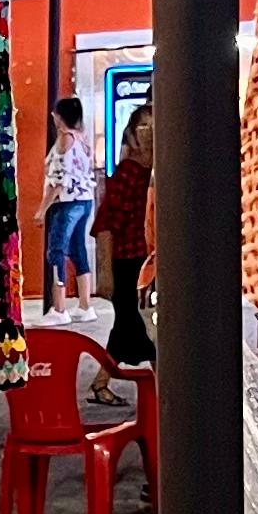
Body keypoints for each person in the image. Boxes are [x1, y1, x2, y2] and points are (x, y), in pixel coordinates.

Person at [96, 101, 156, 369]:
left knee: (142, 330)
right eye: (142, 127)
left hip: (147, 261)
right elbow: (106, 225)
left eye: (153, 127)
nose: (148, 133)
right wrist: (106, 272)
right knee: (134, 325)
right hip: (129, 262)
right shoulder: (128, 173)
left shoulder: (156, 174)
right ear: (132, 136)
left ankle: (103, 381)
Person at [41, 92, 97, 308]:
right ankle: (85, 305)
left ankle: (59, 307)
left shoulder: (64, 139)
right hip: (84, 200)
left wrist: (42, 208)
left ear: (60, 116)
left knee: (56, 251)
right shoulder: (81, 138)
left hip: (66, 202)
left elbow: (59, 179)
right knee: (78, 249)